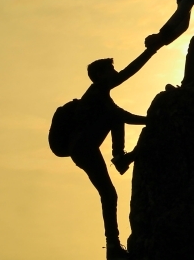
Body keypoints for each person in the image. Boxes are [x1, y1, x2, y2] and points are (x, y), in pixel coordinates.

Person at [69, 47, 158, 259]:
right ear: (100, 75)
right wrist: (152, 50)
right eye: (111, 70)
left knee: (109, 194)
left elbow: (120, 112)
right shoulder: (96, 93)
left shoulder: (100, 95)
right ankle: (113, 247)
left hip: (84, 149)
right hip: (83, 150)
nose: (116, 73)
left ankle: (112, 247)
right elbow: (123, 110)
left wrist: (149, 120)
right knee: (109, 194)